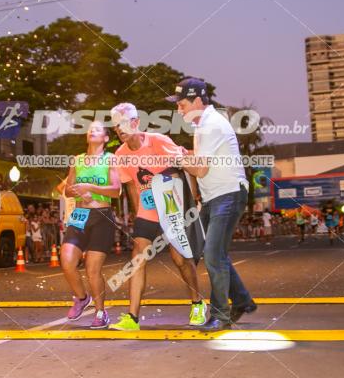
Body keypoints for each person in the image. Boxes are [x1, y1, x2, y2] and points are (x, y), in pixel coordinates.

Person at [109, 102, 207, 331]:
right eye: (116, 126)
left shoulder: (158, 141)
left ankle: (197, 303)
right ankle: (132, 318)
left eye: (124, 124)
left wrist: (192, 202)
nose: (120, 129)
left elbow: (184, 168)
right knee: (137, 258)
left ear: (136, 123)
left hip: (172, 206)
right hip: (147, 211)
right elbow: (132, 186)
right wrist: (138, 216)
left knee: (180, 259)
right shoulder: (120, 154)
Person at [171, 78, 257, 330]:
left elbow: (199, 168)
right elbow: (200, 165)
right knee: (215, 254)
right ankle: (242, 300)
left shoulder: (211, 125)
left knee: (212, 256)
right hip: (214, 197)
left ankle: (221, 315)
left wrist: (177, 157)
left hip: (227, 195)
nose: (179, 110)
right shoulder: (203, 125)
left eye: (182, 104)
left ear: (198, 101)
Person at [60, 121, 121, 329]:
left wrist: (91, 187)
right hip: (79, 214)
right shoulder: (77, 160)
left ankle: (101, 312)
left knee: (92, 269)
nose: (92, 131)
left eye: (97, 130)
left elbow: (116, 191)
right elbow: (67, 190)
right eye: (90, 129)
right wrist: (78, 191)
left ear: (105, 138)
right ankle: (81, 297)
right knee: (67, 260)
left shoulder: (110, 159)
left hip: (102, 215)